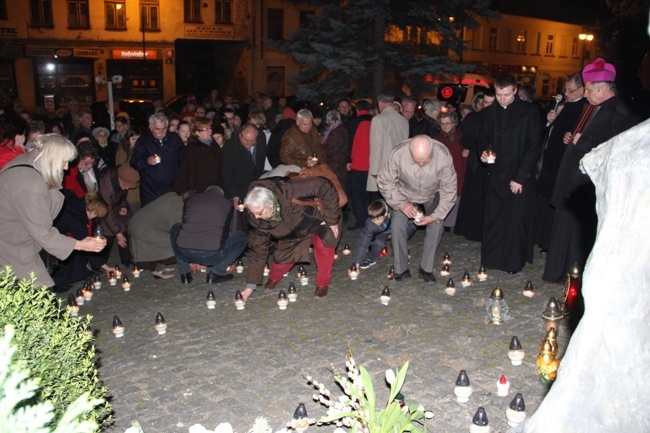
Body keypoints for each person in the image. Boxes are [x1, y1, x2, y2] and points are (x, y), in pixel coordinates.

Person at [543, 59, 640, 282]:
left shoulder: (620, 112)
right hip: (572, 177)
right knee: (564, 224)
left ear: (603, 88)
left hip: (588, 182)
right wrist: (571, 138)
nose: (585, 94)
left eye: (588, 89)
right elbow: (582, 136)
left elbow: (617, 147)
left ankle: (574, 273)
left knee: (578, 229)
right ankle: (558, 272)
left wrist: (584, 140)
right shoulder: (592, 108)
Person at [0, 134, 106, 288]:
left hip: (16, 242)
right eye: (64, 162)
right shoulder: (30, 184)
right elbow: (43, 232)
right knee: (41, 297)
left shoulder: (28, 162)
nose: (66, 168)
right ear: (52, 157)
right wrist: (81, 245)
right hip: (13, 248)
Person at [478, 74, 543, 274]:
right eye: (499, 95)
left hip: (518, 175)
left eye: (506, 94)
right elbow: (482, 139)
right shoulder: (489, 113)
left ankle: (512, 263)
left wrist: (520, 177)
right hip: (496, 174)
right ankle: (491, 259)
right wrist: (484, 152)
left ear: (515, 91)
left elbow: (534, 147)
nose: (502, 99)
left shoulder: (529, 112)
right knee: (494, 218)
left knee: (515, 221)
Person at [242, 176, 342, 300]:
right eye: (252, 213)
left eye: (259, 213)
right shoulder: (256, 219)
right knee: (282, 260)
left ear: (270, 204)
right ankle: (274, 277)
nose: (256, 217)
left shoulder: (288, 189)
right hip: (292, 233)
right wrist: (250, 286)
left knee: (326, 242)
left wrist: (331, 220)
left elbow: (324, 184)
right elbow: (258, 250)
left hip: (315, 219)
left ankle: (322, 283)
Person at [377, 135, 457, 281]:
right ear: (410, 151)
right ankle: (400, 269)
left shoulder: (443, 155)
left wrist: (434, 215)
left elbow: (449, 190)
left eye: (425, 161)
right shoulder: (398, 153)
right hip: (404, 192)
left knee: (437, 225)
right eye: (416, 161)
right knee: (397, 225)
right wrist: (401, 203)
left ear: (431, 152)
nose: (421, 164)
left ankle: (426, 268)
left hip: (432, 192)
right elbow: (385, 181)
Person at [534, 73, 587, 251]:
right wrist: (549, 122)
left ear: (582, 89)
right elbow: (546, 132)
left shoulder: (583, 108)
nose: (566, 94)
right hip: (548, 160)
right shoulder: (562, 106)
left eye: (570, 90)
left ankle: (549, 241)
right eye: (565, 89)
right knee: (544, 198)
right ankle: (540, 237)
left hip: (560, 162)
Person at [170, 186, 248, 284]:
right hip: (212, 255)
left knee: (176, 227)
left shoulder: (191, 200)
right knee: (242, 236)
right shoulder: (227, 204)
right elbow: (232, 230)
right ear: (221, 195)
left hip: (184, 253)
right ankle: (217, 272)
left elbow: (185, 226)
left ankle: (184, 273)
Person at [454, 89, 495, 241]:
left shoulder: (500, 119)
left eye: (492, 102)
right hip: (476, 163)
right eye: (486, 102)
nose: (488, 105)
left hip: (492, 165)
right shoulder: (474, 118)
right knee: (473, 197)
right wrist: (480, 145)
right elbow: (465, 139)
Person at [52, 191, 113, 290]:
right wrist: (105, 267)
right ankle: (58, 283)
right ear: (93, 211)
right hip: (50, 233)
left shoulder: (75, 202)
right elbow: (87, 246)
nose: (95, 218)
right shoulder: (76, 218)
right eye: (96, 215)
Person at [130, 112, 184, 207]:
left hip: (171, 190)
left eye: (164, 129)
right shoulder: (143, 141)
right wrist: (147, 161)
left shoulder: (174, 139)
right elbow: (134, 162)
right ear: (151, 128)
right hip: (151, 192)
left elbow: (183, 160)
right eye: (157, 129)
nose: (161, 132)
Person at [351, 200, 416, 271]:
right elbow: (363, 241)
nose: (375, 222)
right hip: (385, 230)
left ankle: (403, 257)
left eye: (378, 219)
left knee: (397, 241)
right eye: (373, 219)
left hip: (403, 227)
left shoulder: (396, 210)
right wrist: (357, 262)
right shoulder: (371, 223)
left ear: (385, 213)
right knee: (378, 242)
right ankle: (372, 258)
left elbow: (412, 222)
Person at [368, 93, 409, 201]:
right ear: (392, 102)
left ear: (379, 103)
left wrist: (374, 173)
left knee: (379, 205)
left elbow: (376, 147)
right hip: (398, 170)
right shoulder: (403, 121)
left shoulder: (378, 119)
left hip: (382, 169)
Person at [98, 165, 140, 267]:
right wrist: (117, 233)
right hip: (104, 209)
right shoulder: (106, 184)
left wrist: (123, 206)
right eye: (126, 186)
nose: (127, 188)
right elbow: (107, 211)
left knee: (123, 227)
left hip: (115, 206)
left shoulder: (124, 180)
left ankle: (126, 258)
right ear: (119, 180)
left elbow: (122, 197)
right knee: (109, 232)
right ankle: (100, 263)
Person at [172, 117, 223, 195]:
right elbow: (187, 171)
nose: (210, 131)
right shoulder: (192, 148)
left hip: (215, 186)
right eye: (206, 129)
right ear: (197, 133)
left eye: (210, 128)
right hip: (200, 189)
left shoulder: (214, 145)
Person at [222, 123, 267, 209]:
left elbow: (261, 160)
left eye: (253, 141)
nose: (249, 144)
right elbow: (228, 174)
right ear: (240, 135)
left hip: (256, 183)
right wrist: (235, 195)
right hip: (239, 186)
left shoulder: (261, 137)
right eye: (246, 140)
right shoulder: (230, 148)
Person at [435, 111, 466, 231]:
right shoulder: (437, 139)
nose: (445, 126)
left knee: (458, 199)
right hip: (445, 175)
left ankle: (455, 225)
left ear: (453, 123)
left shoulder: (462, 136)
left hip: (460, 172)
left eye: (448, 123)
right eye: (442, 123)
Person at [346, 100, 373, 228]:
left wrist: (348, 160)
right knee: (368, 193)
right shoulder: (375, 121)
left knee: (357, 194)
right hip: (371, 163)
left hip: (357, 163)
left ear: (357, 110)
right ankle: (369, 218)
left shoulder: (354, 123)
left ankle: (361, 220)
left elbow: (350, 143)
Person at [321, 110, 349, 186]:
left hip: (335, 164)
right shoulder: (342, 129)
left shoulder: (334, 132)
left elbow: (330, 149)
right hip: (341, 163)